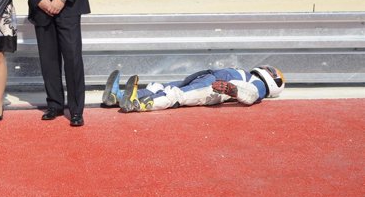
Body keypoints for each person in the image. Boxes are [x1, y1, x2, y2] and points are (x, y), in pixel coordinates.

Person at [101, 65, 286, 112]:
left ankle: (138, 104)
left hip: (214, 89)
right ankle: (117, 97)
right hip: (207, 77)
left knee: (175, 95)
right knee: (161, 86)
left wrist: (233, 91)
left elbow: (251, 96)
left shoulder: (260, 86)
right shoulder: (249, 74)